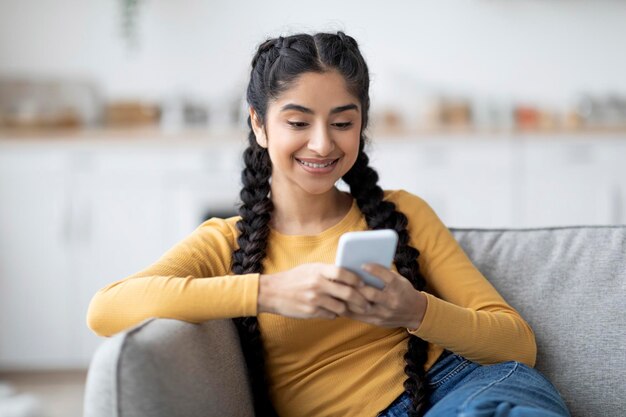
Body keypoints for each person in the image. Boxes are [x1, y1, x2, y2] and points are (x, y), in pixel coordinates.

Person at [86, 31, 571, 417]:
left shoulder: (404, 212)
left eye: (342, 123)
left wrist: (415, 310)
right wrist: (268, 291)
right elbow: (106, 310)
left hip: (463, 387)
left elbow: (516, 344)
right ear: (258, 123)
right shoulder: (224, 242)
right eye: (298, 123)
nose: (322, 145)